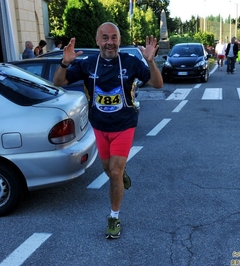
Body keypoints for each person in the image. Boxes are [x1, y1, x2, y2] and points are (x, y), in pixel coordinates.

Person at [53, 22, 163, 239]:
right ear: (97, 40)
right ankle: (121, 174)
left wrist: (150, 62)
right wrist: (64, 63)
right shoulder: (88, 64)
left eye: (114, 37)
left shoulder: (130, 63)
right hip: (100, 126)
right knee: (109, 170)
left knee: (114, 172)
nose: (109, 42)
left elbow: (158, 84)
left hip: (124, 126)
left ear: (119, 40)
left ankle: (114, 217)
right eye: (105, 38)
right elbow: (59, 82)